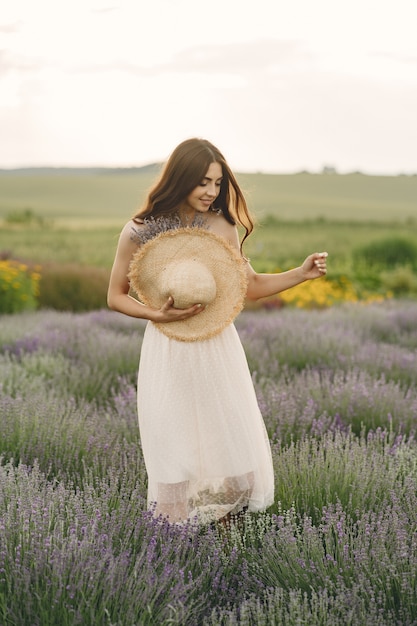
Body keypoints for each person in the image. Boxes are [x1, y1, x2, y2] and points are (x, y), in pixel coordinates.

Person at [107, 138, 328, 526]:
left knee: (226, 442)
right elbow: (115, 296)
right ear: (179, 180)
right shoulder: (139, 230)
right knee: (174, 443)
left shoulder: (222, 225)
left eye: (218, 183)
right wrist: (156, 315)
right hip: (168, 349)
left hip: (217, 347)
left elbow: (252, 286)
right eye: (203, 183)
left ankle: (228, 549)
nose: (212, 192)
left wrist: (301, 273)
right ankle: (178, 548)